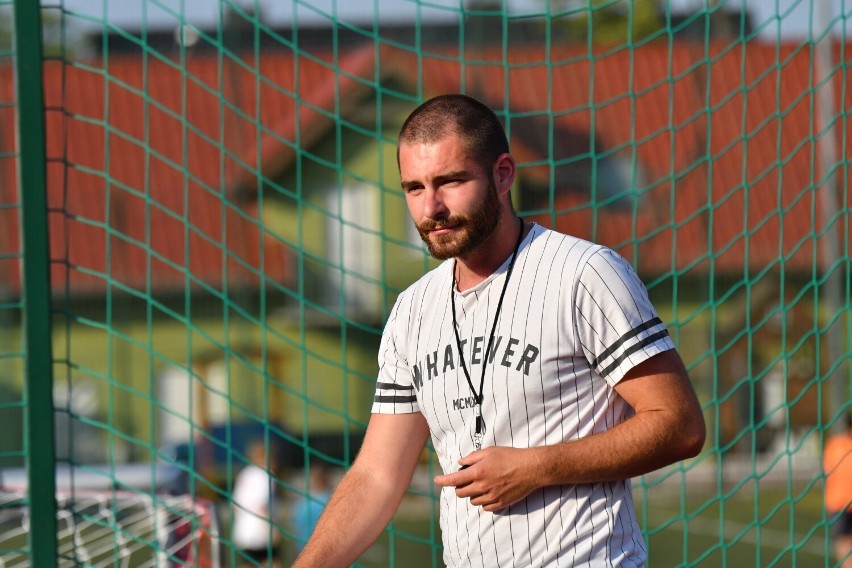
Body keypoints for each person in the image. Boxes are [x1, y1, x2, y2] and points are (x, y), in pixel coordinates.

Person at [293, 93, 705, 567]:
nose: (432, 207)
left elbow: (680, 424)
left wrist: (535, 468)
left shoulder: (585, 273)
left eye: (450, 181)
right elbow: (377, 476)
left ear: (503, 174)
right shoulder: (411, 311)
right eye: (414, 188)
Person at [232, 439, 281, 567]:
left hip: (243, 533)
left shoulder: (245, 474)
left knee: (248, 564)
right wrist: (272, 530)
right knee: (273, 563)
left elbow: (235, 505)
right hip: (262, 534)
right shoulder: (265, 475)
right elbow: (262, 506)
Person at [824, 412, 852, 568]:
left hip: (838, 501)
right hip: (839, 501)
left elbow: (827, 470)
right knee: (843, 540)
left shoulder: (834, 444)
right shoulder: (836, 444)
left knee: (843, 541)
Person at [289, 460, 332, 554]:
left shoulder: (303, 502)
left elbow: (295, 525)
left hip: (305, 547)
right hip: (328, 549)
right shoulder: (333, 500)